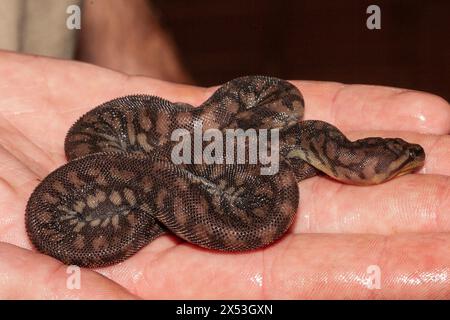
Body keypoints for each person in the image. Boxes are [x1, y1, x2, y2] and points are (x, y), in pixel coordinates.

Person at [0, 50, 449, 299]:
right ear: (354, 166)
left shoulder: (286, 149)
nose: (412, 160)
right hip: (92, 162)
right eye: (405, 160)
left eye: (404, 159)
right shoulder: (286, 133)